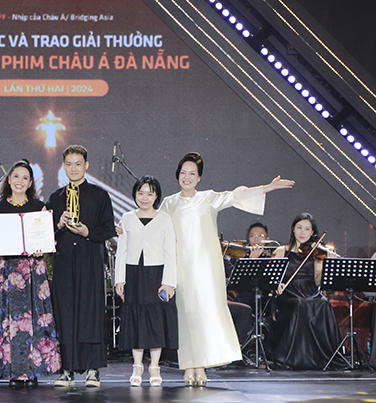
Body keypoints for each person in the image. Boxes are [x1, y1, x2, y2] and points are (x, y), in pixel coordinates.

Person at [160, 152, 294, 386]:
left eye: (192, 173)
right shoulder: (169, 203)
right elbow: (155, 227)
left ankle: (200, 364)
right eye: (183, 172)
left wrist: (267, 187)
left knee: (204, 315)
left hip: (207, 269)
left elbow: (236, 195)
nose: (187, 177)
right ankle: (189, 365)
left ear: (199, 177)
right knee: (186, 316)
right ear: (177, 175)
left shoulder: (208, 198)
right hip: (180, 268)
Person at [0, 160, 61, 388]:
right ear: (9, 179)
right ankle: (12, 371)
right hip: (7, 270)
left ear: (30, 183)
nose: (20, 181)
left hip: (32, 270)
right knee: (9, 321)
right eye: (16, 176)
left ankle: (32, 370)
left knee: (33, 321)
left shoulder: (40, 208)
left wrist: (42, 247)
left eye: (25, 178)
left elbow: (47, 241)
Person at [46, 144, 116, 387]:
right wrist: (57, 224)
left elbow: (109, 229)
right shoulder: (55, 197)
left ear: (86, 165)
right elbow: (44, 237)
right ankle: (66, 370)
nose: (73, 168)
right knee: (64, 314)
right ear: (63, 166)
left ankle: (93, 370)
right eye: (68, 164)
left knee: (90, 314)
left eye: (78, 163)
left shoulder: (99, 195)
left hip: (90, 261)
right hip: (64, 262)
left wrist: (88, 232)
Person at [114, 176, 177, 387]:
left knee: (155, 320)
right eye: (141, 193)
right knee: (135, 319)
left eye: (150, 193)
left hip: (157, 274)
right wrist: (119, 279)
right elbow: (121, 250)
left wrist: (169, 282)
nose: (145, 197)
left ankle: (155, 367)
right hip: (133, 273)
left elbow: (170, 252)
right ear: (135, 194)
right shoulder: (127, 218)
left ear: (156, 196)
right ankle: (137, 366)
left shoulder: (164, 219)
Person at [268, 213, 343, 370]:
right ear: (293, 230)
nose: (303, 232)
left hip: (310, 291)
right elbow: (271, 277)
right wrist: (277, 284)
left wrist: (328, 263)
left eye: (307, 229)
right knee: (300, 305)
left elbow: (317, 281)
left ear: (312, 233)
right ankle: (291, 358)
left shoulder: (316, 253)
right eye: (299, 228)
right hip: (289, 294)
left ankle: (322, 357)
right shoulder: (281, 251)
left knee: (323, 305)